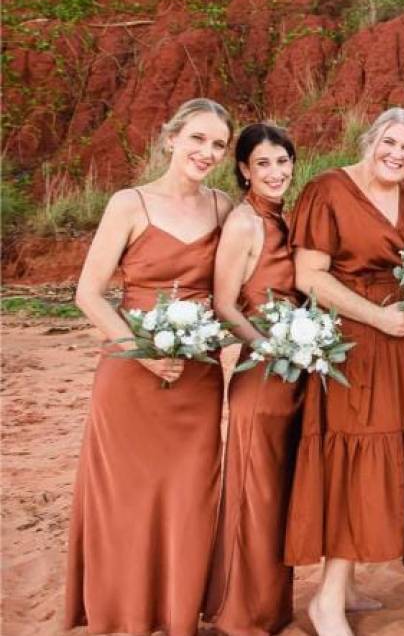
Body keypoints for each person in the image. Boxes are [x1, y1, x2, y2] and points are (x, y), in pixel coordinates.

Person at [284, 108, 404, 636]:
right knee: (355, 463)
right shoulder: (327, 190)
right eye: (389, 143)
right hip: (356, 343)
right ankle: (326, 600)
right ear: (370, 140)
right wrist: (377, 317)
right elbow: (309, 275)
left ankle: (352, 584)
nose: (397, 155)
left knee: (387, 461)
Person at [67, 98, 235, 635]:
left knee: (190, 497)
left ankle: (178, 614)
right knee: (128, 498)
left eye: (217, 145)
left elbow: (233, 293)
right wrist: (143, 350)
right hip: (131, 376)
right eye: (197, 139)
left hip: (198, 379)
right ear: (171, 139)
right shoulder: (129, 203)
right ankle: (124, 616)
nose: (206, 152)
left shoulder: (224, 209)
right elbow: (88, 294)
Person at [206, 123, 303, 636]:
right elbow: (225, 304)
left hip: (295, 373)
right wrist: (271, 347)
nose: (275, 172)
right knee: (256, 494)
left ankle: (274, 609)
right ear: (244, 168)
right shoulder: (245, 224)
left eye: (282, 161)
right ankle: (243, 616)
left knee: (281, 493)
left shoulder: (286, 217)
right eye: (263, 163)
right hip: (261, 375)